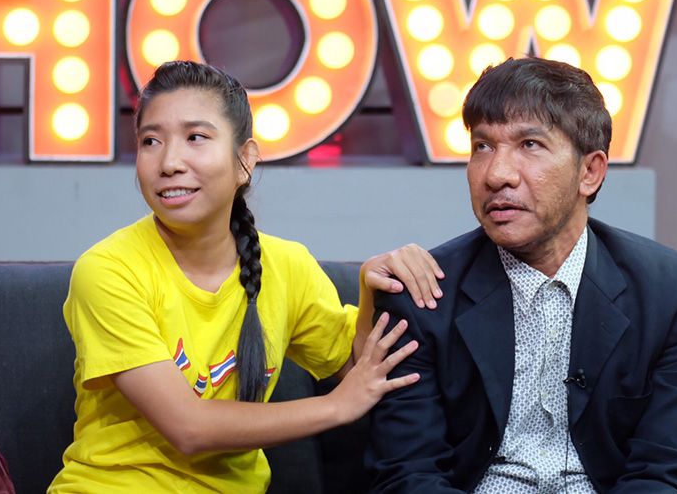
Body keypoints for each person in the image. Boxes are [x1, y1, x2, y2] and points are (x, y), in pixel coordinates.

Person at [48, 60, 444, 493]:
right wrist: (336, 407)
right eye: (150, 141)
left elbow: (356, 371)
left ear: (245, 161)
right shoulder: (107, 270)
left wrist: (370, 288)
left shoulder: (287, 266)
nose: (169, 162)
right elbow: (188, 427)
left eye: (195, 137)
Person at [367, 57, 677, 493]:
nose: (497, 175)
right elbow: (408, 475)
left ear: (590, 172)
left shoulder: (670, 291)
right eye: (482, 146)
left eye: (529, 144)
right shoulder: (424, 293)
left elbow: (665, 471)